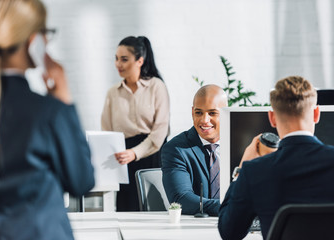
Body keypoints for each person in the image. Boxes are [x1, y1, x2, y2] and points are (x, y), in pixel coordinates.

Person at [0, 0, 95, 239]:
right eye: (45, 33)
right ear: (34, 41)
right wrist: (65, 102)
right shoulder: (48, 112)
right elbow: (81, 181)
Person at [218, 76, 334, 239]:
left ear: (272, 118)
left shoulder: (254, 171)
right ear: (316, 114)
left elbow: (229, 232)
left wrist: (242, 169)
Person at [101, 36, 170, 211]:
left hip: (153, 155)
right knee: (127, 209)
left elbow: (160, 131)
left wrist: (135, 153)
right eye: (116, 59)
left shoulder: (156, 86)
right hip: (124, 159)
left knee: (154, 208)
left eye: (124, 59)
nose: (118, 64)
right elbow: (106, 131)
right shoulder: (112, 93)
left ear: (140, 60)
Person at [161, 84, 228, 216]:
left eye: (212, 113)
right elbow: (181, 199)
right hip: (195, 226)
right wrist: (228, 207)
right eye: (199, 113)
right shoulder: (176, 149)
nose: (204, 120)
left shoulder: (242, 143)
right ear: (192, 112)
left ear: (225, 112)